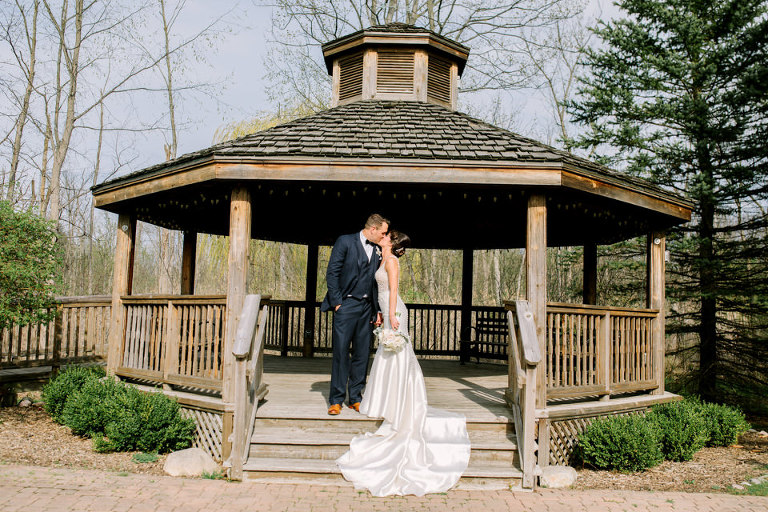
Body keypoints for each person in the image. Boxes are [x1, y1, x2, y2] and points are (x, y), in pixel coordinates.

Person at [336, 230, 471, 496]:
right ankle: (387, 397)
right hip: (384, 310)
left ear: (393, 243)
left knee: (397, 353)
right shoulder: (379, 257)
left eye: (387, 236)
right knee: (387, 354)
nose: (383, 237)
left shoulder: (391, 262)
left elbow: (393, 289)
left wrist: (391, 314)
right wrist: (380, 311)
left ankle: (400, 399)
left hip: (394, 311)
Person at [321, 214, 389, 416]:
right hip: (346, 305)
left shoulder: (378, 250)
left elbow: (378, 281)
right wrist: (337, 303)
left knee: (361, 354)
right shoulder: (345, 241)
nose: (385, 236)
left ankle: (356, 398)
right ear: (373, 229)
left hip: (367, 307)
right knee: (341, 352)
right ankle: (336, 400)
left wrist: (378, 309)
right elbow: (332, 272)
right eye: (383, 232)